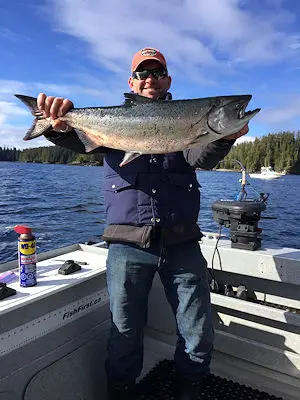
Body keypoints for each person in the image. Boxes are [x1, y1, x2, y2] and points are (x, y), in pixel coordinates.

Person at [38, 47, 249, 400]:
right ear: (132, 82)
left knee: (198, 334)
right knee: (123, 336)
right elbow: (77, 140)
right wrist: (56, 127)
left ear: (168, 79)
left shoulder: (189, 118)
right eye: (142, 73)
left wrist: (224, 137)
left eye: (157, 72)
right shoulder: (112, 121)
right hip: (126, 246)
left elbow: (201, 156)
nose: (149, 78)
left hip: (182, 244)